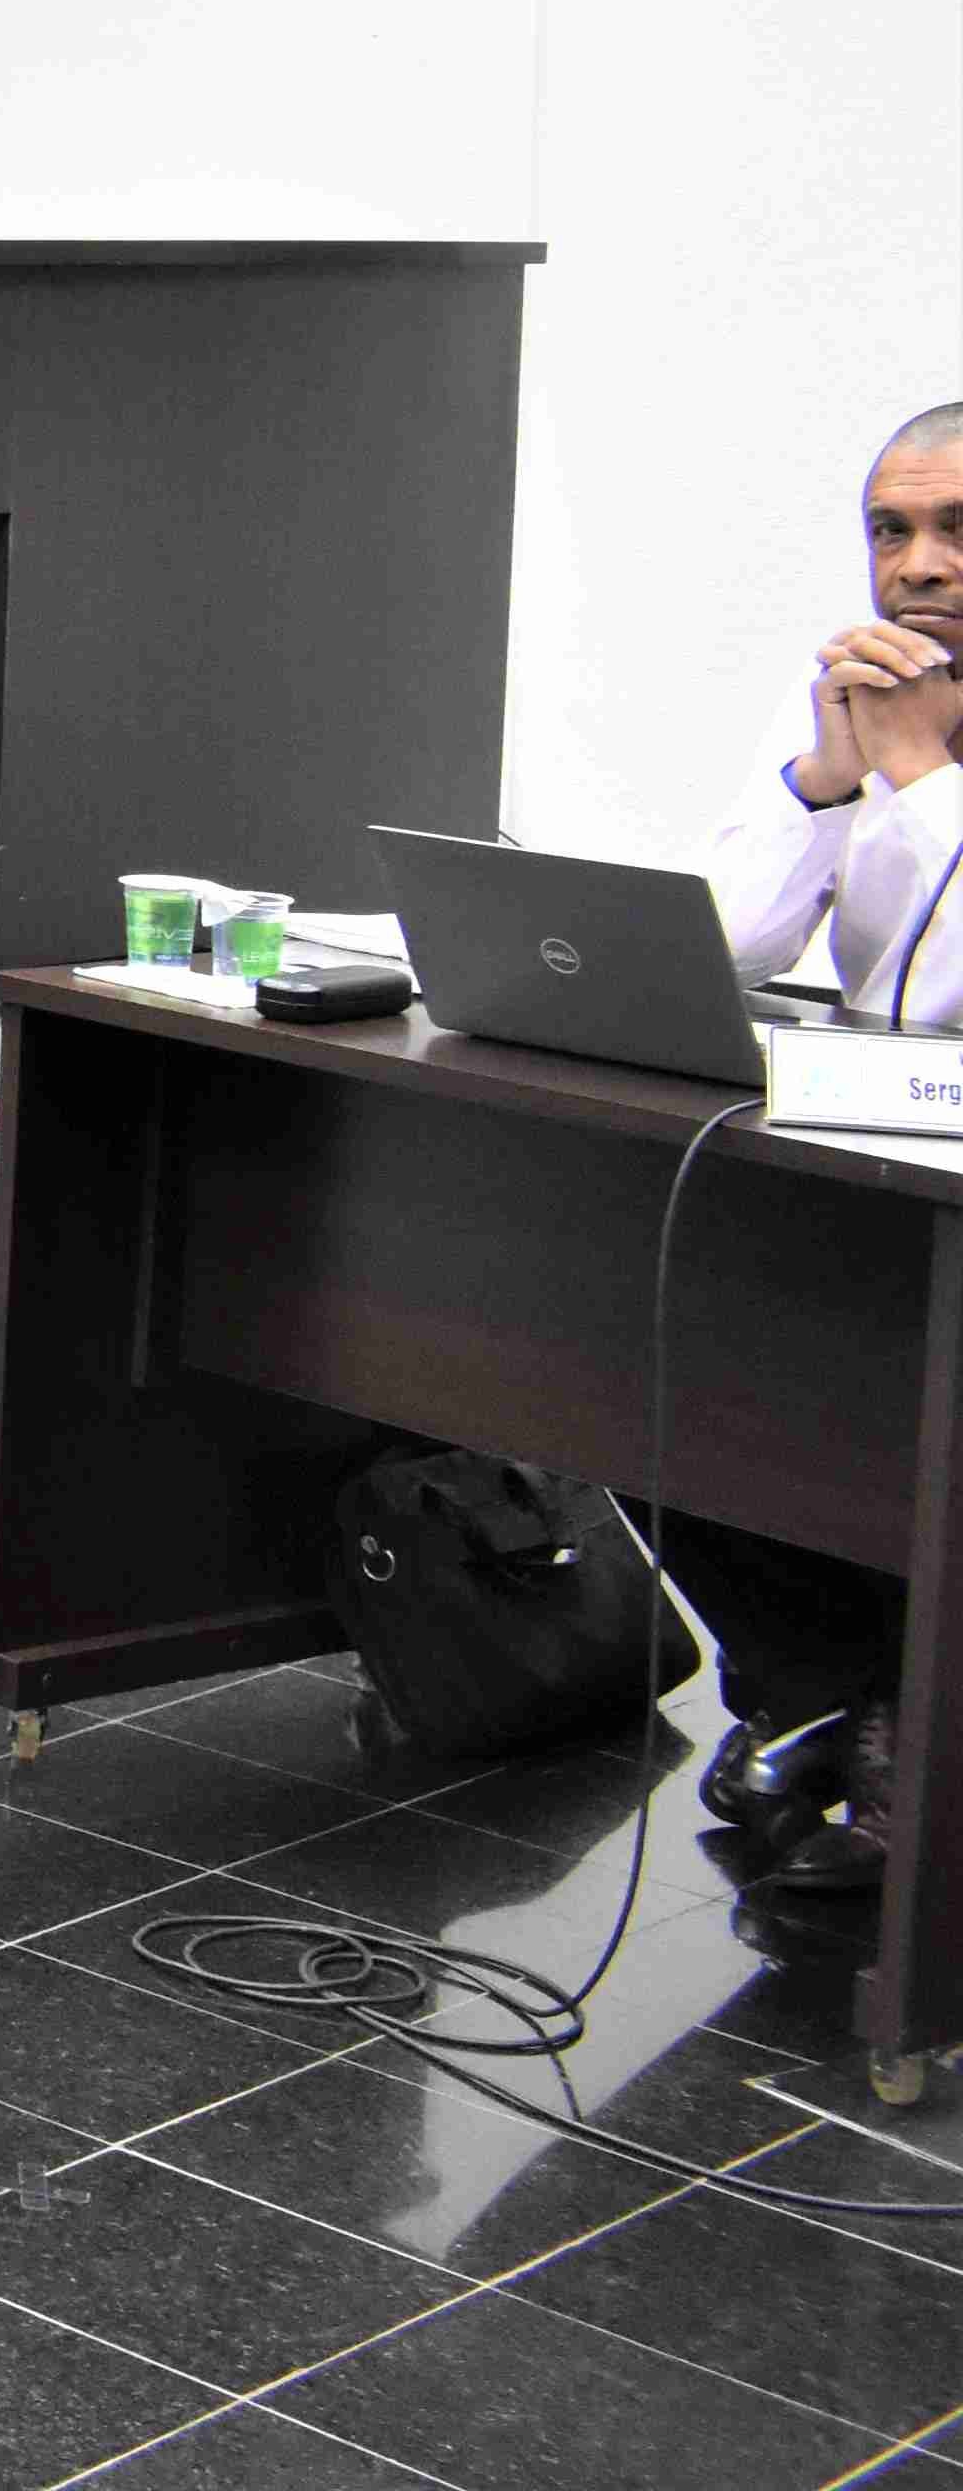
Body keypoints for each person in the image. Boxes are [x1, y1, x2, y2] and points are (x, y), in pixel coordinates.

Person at [668, 399, 963, 1897]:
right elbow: (723, 941)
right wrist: (826, 780)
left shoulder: (917, 726)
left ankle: (890, 1723)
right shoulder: (858, 695)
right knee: (642, 1327)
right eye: (890, 532)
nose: (918, 566)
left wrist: (924, 775)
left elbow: (948, 987)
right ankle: (836, 1692)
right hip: (871, 1158)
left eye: (957, 531)